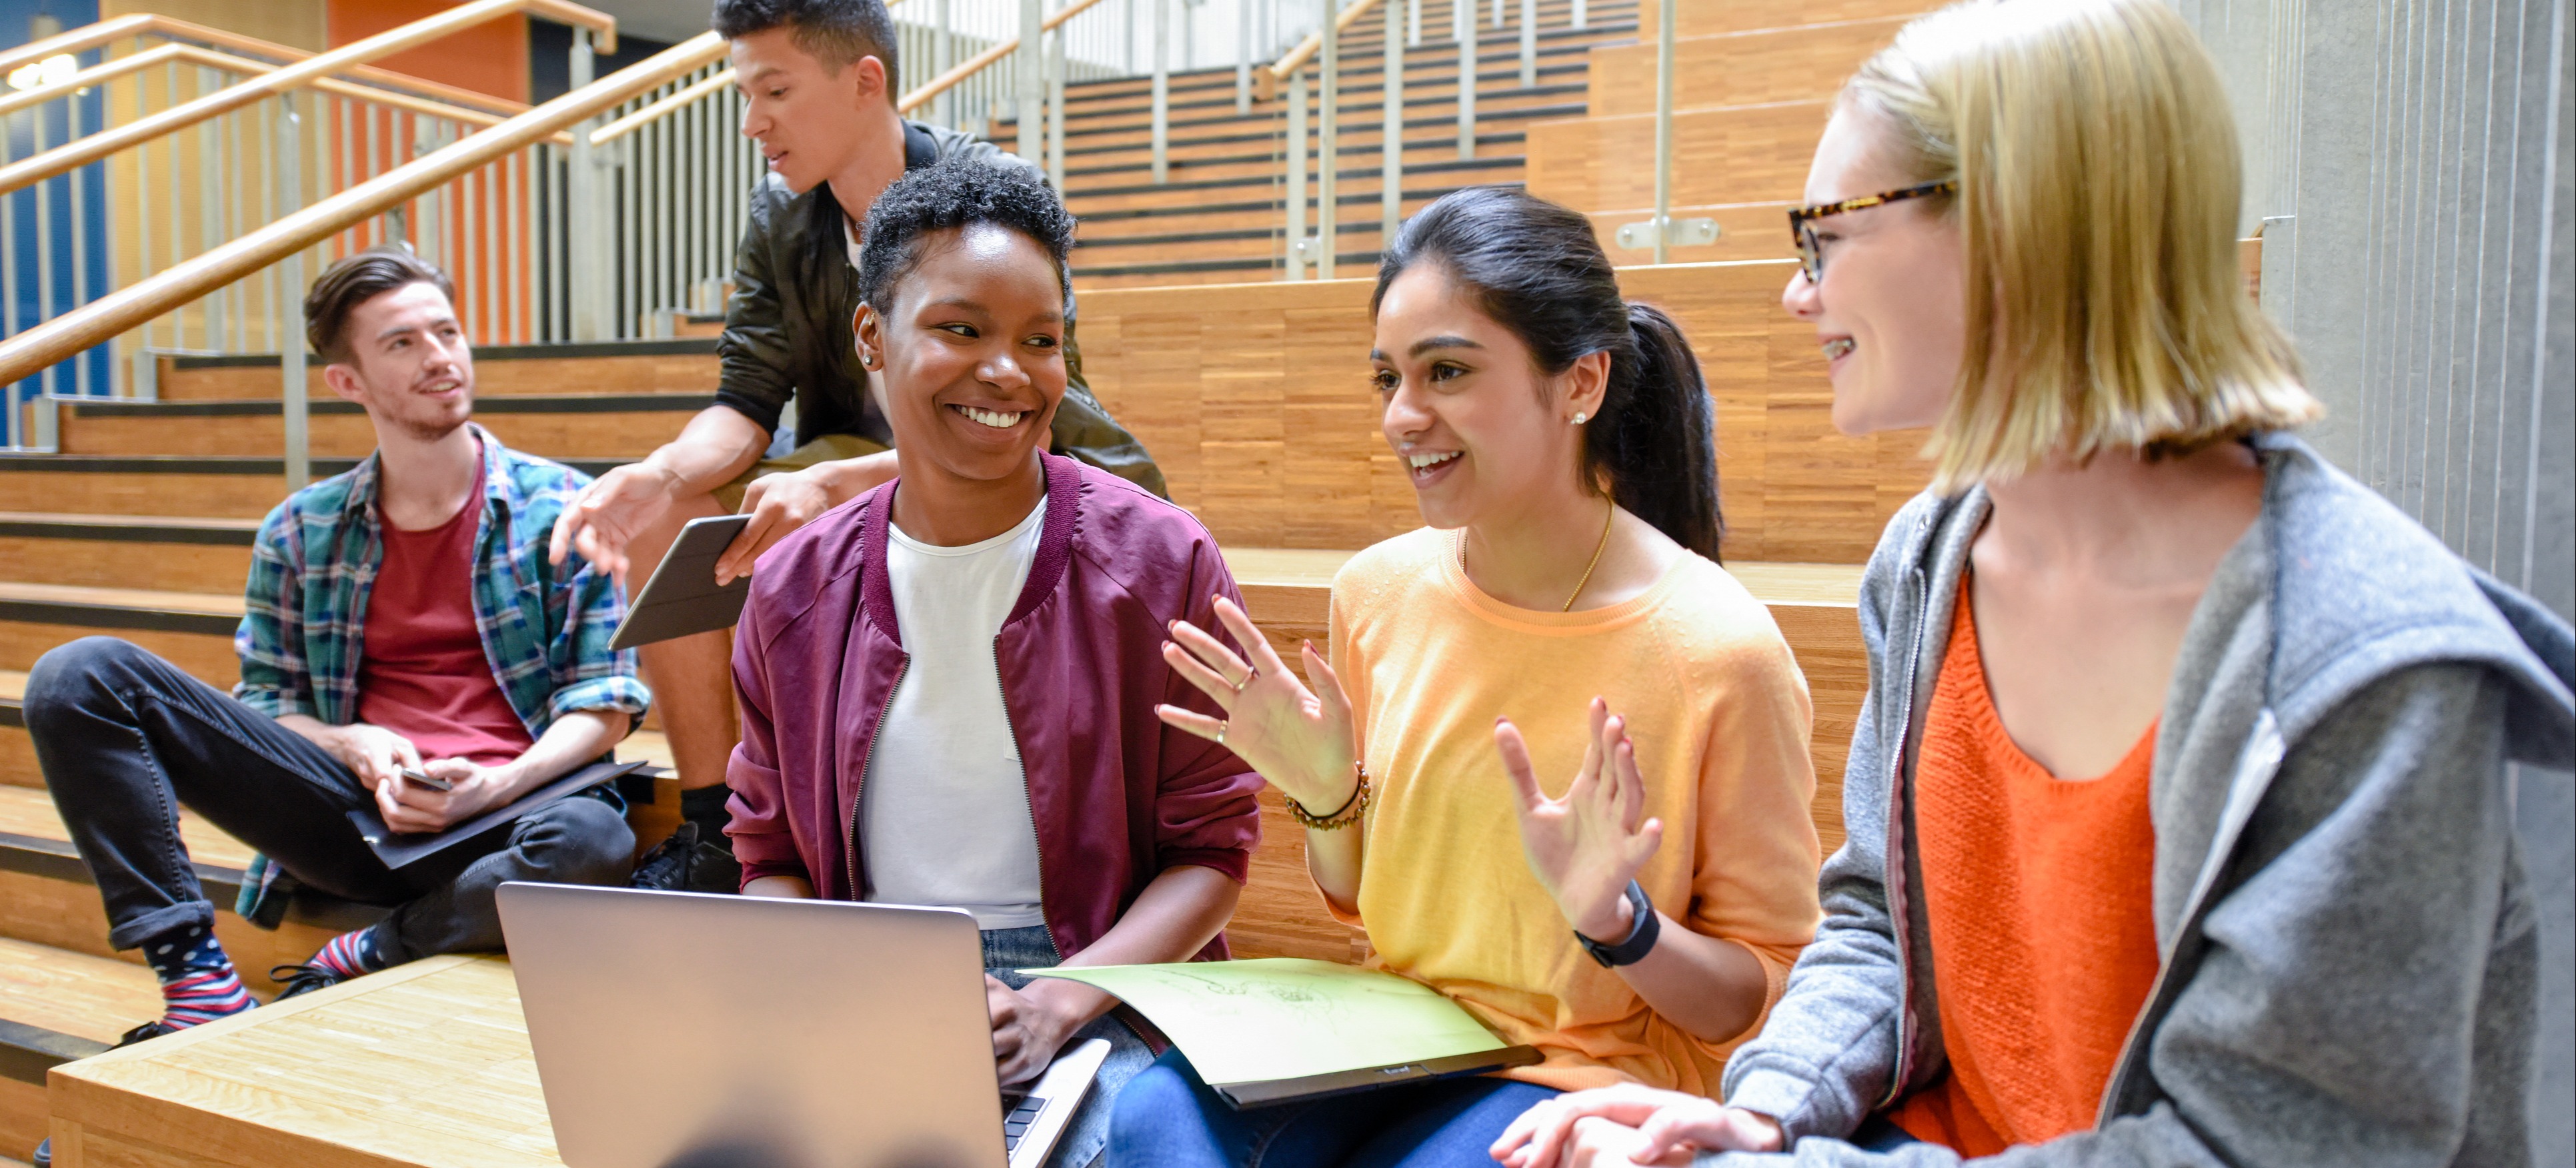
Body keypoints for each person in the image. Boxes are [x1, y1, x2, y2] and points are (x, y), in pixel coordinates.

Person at [1489, 1, 2576, 1165]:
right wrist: (1762, 1110)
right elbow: (1876, 924)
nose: (1799, 294)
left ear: (2017, 226)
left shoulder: (2363, 666)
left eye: (1826, 236)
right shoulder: (1926, 560)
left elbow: (2261, 1145)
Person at [1112, 187, 1826, 1167]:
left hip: (1574, 1072)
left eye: (1445, 370)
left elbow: (1759, 994)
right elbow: (1365, 907)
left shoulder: (1718, 648)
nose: (1403, 416)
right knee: (1153, 1120)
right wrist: (1327, 798)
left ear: (1578, 384)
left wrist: (1616, 923)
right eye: (1387, 378)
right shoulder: (1375, 590)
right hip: (1393, 1038)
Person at [720, 157, 1260, 1168]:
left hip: (1099, 981)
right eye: (961, 329)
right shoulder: (791, 588)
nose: (1008, 371)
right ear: (872, 338)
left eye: (1040, 341)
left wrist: (1056, 1001)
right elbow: (771, 857)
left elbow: (1213, 852)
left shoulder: (1160, 560)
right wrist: (854, 982)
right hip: (864, 969)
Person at [544, 0, 1164, 868]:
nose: (752, 120)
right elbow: (746, 398)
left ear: (863, 81)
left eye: (775, 90)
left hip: (1013, 453)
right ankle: (711, 826)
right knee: (663, 513)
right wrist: (655, 472)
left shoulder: (983, 192)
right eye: (745, 92)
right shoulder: (780, 212)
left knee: (841, 490)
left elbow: (1031, 404)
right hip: (843, 457)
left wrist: (834, 484)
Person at [23, 246, 648, 1042]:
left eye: (447, 332)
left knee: (593, 838)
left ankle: (368, 949)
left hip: (515, 809)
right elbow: (270, 703)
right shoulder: (302, 526)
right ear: (346, 382)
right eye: (401, 343)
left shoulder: (563, 506)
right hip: (354, 815)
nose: (439, 358)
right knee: (77, 674)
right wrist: (350, 741)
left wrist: (493, 786)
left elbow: (604, 702)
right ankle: (194, 973)